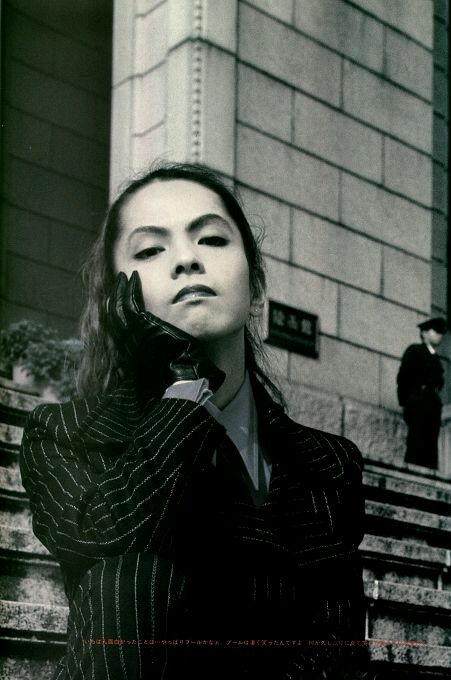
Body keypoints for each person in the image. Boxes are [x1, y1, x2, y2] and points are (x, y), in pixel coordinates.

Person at [20, 163, 368, 679]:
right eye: (150, 250)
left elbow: (339, 650)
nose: (187, 259)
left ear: (256, 290)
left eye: (211, 239)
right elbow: (113, 559)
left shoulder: (329, 465)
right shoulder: (66, 438)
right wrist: (185, 386)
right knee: (132, 579)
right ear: (117, 302)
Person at [397, 317, 447, 469]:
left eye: (441, 332)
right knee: (416, 443)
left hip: (432, 406)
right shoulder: (415, 351)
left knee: (431, 447)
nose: (439, 335)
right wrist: (408, 402)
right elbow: (403, 377)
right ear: (424, 333)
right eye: (436, 331)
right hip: (418, 403)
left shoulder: (436, 358)